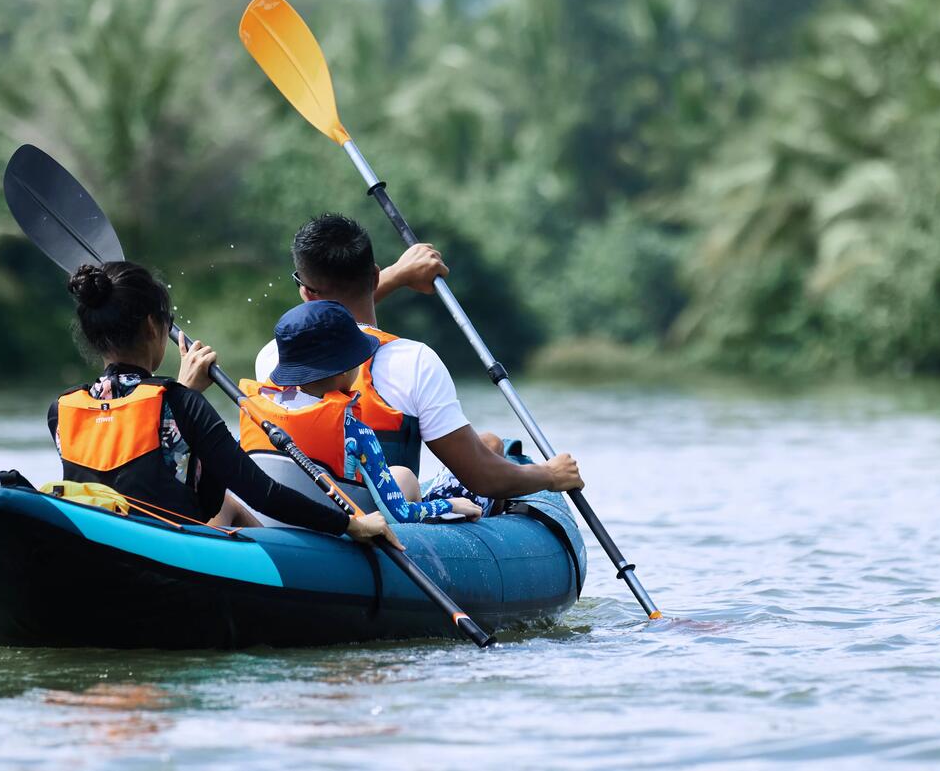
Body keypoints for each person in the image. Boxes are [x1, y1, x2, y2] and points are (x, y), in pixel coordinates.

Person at [47, 260, 399, 549]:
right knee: (234, 500)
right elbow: (263, 493)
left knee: (228, 503)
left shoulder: (62, 410)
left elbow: (132, 465)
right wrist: (350, 524)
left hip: (97, 547)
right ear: (154, 328)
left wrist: (184, 394)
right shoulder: (180, 404)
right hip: (171, 557)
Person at [253, 214, 583, 510]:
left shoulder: (273, 355)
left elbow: (332, 326)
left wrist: (398, 274)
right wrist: (550, 475)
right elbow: (483, 478)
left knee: (491, 444)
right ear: (374, 275)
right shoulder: (414, 362)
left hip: (300, 508)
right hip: (382, 514)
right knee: (491, 448)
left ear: (306, 293)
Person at [243, 300, 486, 523]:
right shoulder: (354, 430)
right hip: (342, 530)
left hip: (267, 523)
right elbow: (397, 512)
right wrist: (446, 505)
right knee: (402, 476)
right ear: (345, 371)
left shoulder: (254, 411)